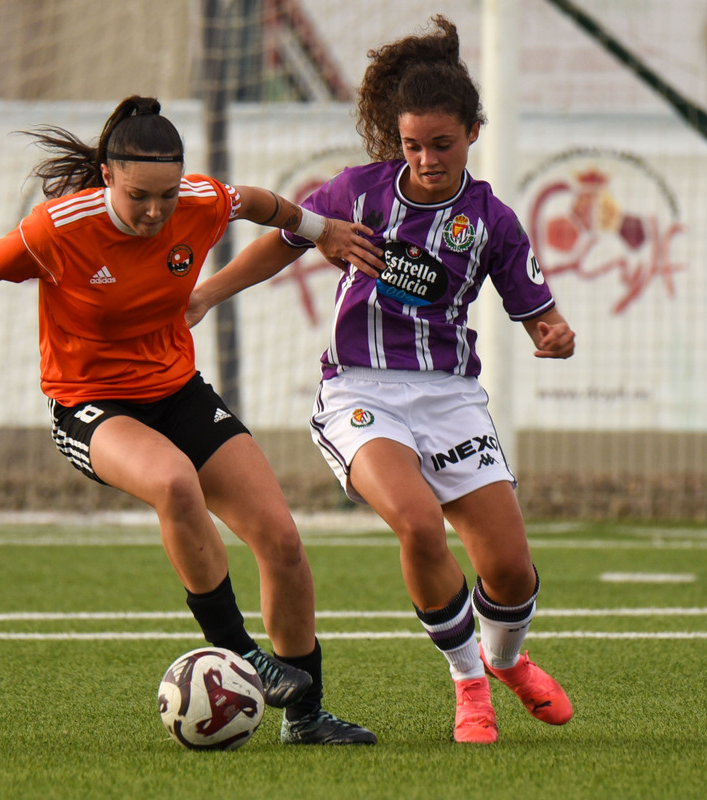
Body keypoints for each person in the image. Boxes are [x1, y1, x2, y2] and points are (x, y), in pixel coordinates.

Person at [0, 95, 385, 745]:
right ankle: (241, 653)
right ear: (108, 176)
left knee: (281, 541)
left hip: (178, 392)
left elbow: (253, 202)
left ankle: (306, 719)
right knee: (173, 483)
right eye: (140, 195)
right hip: (90, 407)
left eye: (167, 196)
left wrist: (319, 230)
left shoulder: (199, 202)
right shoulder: (58, 227)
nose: (155, 211)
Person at [186, 18, 576, 744]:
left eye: (442, 144)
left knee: (510, 571)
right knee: (419, 523)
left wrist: (552, 333)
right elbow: (283, 240)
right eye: (412, 145)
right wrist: (209, 293)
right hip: (360, 392)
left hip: (451, 398)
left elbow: (539, 311)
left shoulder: (491, 220)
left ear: (472, 133)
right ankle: (469, 688)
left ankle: (508, 663)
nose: (426, 159)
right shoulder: (359, 193)